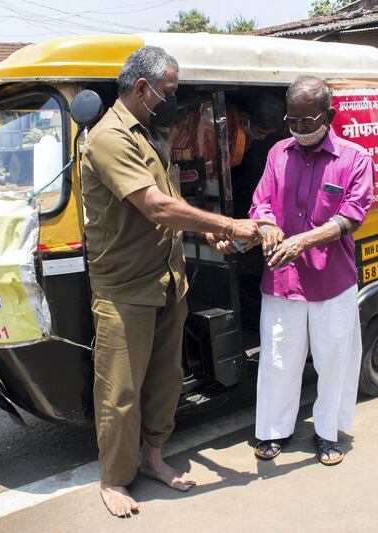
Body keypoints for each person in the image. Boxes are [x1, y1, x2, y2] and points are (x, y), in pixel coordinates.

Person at [81, 45, 273, 518]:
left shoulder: (150, 135)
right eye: (168, 91)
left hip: (167, 279)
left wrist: (207, 230)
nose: (172, 99)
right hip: (125, 287)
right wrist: (229, 224)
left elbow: (170, 204)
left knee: (165, 380)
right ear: (142, 89)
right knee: (120, 389)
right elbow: (156, 206)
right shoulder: (109, 138)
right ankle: (114, 477)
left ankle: (152, 458)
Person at [248, 76, 374, 465]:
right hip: (282, 279)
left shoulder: (355, 159)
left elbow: (352, 215)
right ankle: (273, 431)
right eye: (293, 120)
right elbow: (261, 203)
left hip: (331, 281)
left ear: (329, 115)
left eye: (308, 120)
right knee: (278, 358)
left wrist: (304, 240)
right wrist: (267, 226)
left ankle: (327, 432)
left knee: (334, 359)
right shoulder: (277, 154)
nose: (300, 129)